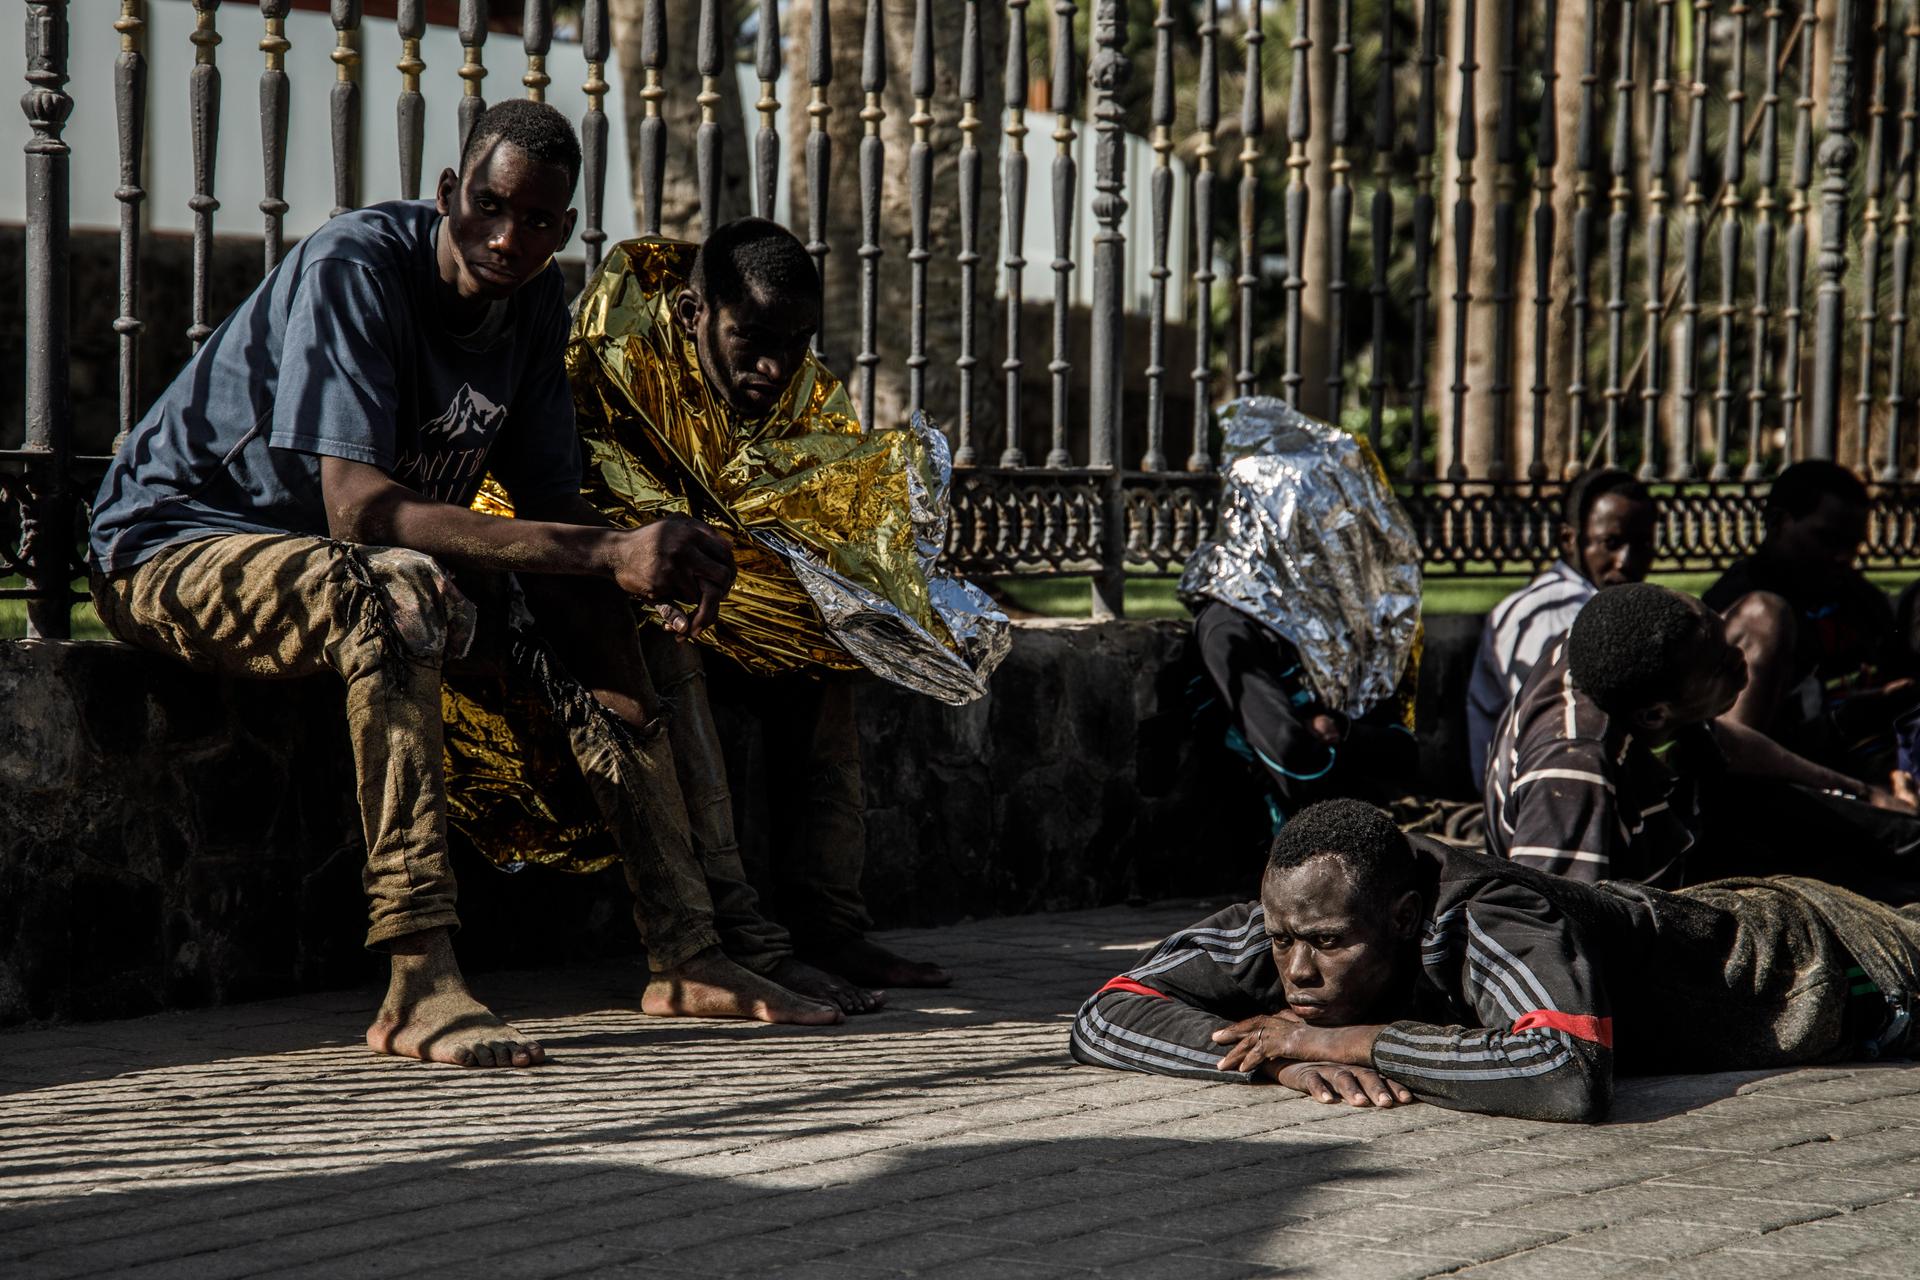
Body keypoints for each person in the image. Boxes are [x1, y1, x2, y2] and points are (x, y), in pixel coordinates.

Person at [88, 100, 853, 1070]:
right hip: (170, 549)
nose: (508, 236)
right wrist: (604, 552)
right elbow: (358, 512)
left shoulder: (534, 307)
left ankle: (690, 951)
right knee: (393, 592)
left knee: (632, 616)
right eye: (489, 206)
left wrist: (622, 603)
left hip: (337, 561)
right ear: (450, 192)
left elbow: (556, 512)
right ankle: (418, 975)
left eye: (538, 220)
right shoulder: (357, 266)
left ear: (565, 228)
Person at [445, 217, 955, 990]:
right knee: (666, 637)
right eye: (752, 338)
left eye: (797, 341)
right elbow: (568, 506)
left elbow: (819, 518)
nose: (776, 363)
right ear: (692, 314)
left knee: (829, 659)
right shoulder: (606, 360)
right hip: (578, 612)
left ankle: (830, 927)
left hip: (730, 604)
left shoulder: (799, 383)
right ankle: (740, 936)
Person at [1069, 799, 1920, 1123]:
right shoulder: (1297, 918)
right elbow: (1105, 1010)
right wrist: (1267, 1067)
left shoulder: (1491, 918)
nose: (1296, 971)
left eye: (1329, 945)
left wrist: (1342, 1043)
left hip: (1833, 962)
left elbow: (1568, 1071)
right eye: (1281, 940)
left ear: (1404, 918)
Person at [1483, 583, 1920, 894]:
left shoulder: (1606, 655)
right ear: (1655, 714)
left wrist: (1864, 794)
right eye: (1719, 667)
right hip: (1643, 899)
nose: (1740, 662)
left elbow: (1722, 742)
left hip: (1682, 821)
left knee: (1893, 837)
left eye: (1728, 643)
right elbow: (1551, 919)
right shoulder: (1577, 770)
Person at [1703, 460, 1919, 776]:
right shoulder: (1746, 610)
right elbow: (1738, 747)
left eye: (1853, 544)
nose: (1845, 556)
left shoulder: (1856, 595)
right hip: (1799, 780)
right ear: (1779, 524)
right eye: (1827, 539)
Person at [1465, 469, 1655, 784]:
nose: (1627, 560)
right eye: (1611, 543)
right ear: (1570, 539)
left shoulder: (1595, 603)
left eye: (1643, 544)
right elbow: (1562, 727)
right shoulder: (1551, 611)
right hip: (1535, 795)